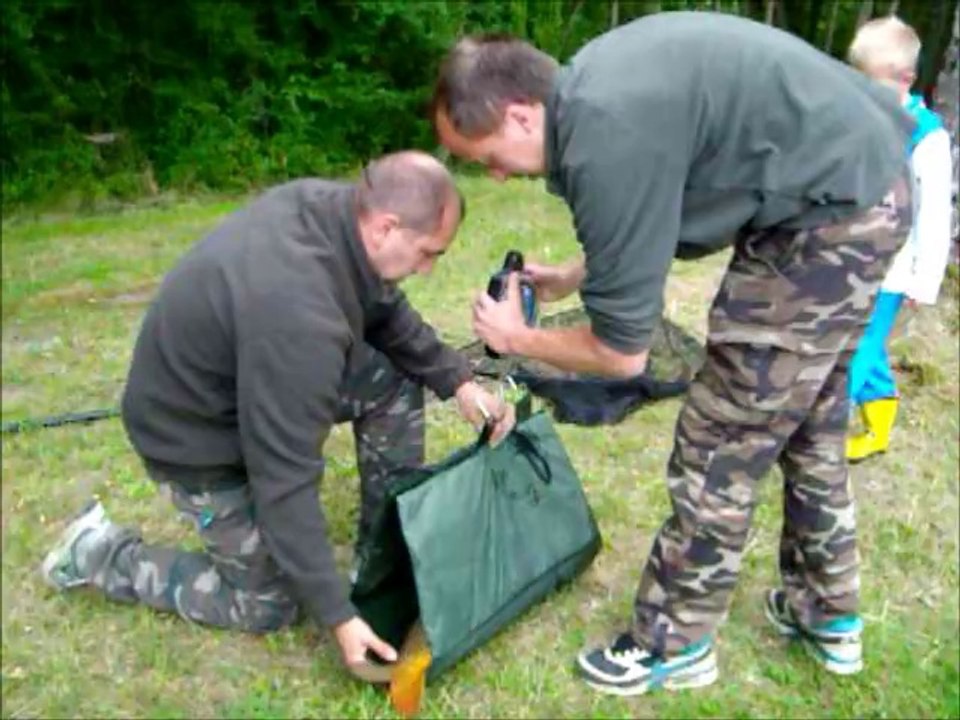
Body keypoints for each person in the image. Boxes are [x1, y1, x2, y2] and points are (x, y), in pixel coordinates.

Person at [431, 11, 914, 694]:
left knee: (722, 438)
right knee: (807, 423)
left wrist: (519, 340)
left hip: (828, 219)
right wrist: (577, 274)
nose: (497, 176)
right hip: (867, 186)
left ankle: (674, 641)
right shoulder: (596, 90)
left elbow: (622, 354)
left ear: (518, 116)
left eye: (485, 157)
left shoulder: (604, 134)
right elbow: (653, 213)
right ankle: (826, 613)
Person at [40, 151, 515, 675]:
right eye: (428, 253)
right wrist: (338, 614)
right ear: (386, 227)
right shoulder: (299, 320)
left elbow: (384, 306)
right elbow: (284, 480)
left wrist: (457, 380)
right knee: (268, 605)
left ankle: (383, 552)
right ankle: (95, 553)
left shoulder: (336, 212)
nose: (427, 268)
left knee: (395, 378)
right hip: (192, 434)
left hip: (252, 375)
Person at [845, 15, 954, 462]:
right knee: (863, 346)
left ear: (905, 80)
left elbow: (934, 216)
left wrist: (924, 280)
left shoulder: (927, 138)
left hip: (893, 271)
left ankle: (818, 434)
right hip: (850, 260)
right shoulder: (860, 119)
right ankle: (879, 429)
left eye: (874, 84)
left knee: (856, 349)